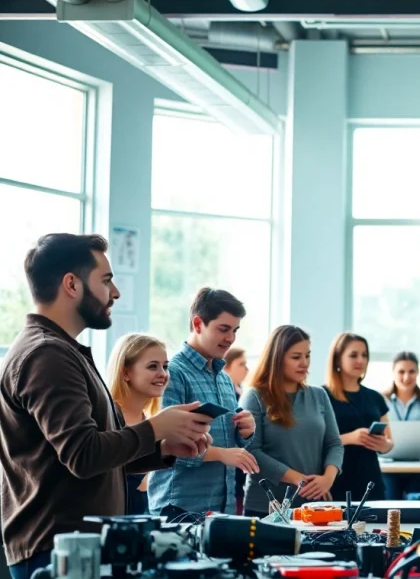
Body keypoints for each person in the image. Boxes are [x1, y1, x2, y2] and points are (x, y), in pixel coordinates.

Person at [0, 233, 213, 579]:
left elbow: (93, 458)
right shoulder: (46, 355)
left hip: (75, 548)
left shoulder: (61, 351)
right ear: (71, 284)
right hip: (57, 553)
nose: (115, 292)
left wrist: (163, 449)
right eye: (107, 280)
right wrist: (156, 427)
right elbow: (83, 455)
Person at [147, 288, 259, 515]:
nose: (231, 338)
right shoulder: (172, 373)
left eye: (235, 330)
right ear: (198, 324)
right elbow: (168, 448)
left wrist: (245, 432)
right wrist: (223, 454)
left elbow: (232, 447)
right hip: (179, 508)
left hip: (221, 508)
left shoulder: (224, 379)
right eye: (224, 329)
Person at [239, 326, 344, 516]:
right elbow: (251, 451)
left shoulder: (319, 395)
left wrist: (328, 478)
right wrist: (297, 479)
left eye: (307, 356)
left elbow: (334, 443)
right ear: (277, 359)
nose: (304, 363)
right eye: (296, 357)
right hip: (266, 506)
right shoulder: (255, 396)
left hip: (313, 505)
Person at [107, 333, 173, 515]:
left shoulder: (147, 417)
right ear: (126, 372)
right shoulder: (108, 418)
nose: (163, 374)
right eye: (153, 366)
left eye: (165, 367)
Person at [325, 333, 392, 502]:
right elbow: (314, 444)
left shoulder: (375, 397)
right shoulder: (321, 395)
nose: (360, 360)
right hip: (336, 481)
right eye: (353, 355)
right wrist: (350, 438)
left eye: (364, 355)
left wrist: (383, 445)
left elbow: (390, 442)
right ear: (338, 359)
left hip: (371, 482)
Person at [382, 351, 420, 499]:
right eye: (401, 371)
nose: (406, 377)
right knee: (387, 511)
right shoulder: (380, 400)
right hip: (388, 467)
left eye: (411, 372)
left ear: (418, 373)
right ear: (393, 373)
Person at [224, 347, 248, 514]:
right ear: (227, 367)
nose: (246, 369)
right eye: (241, 364)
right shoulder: (231, 395)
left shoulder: (241, 391)